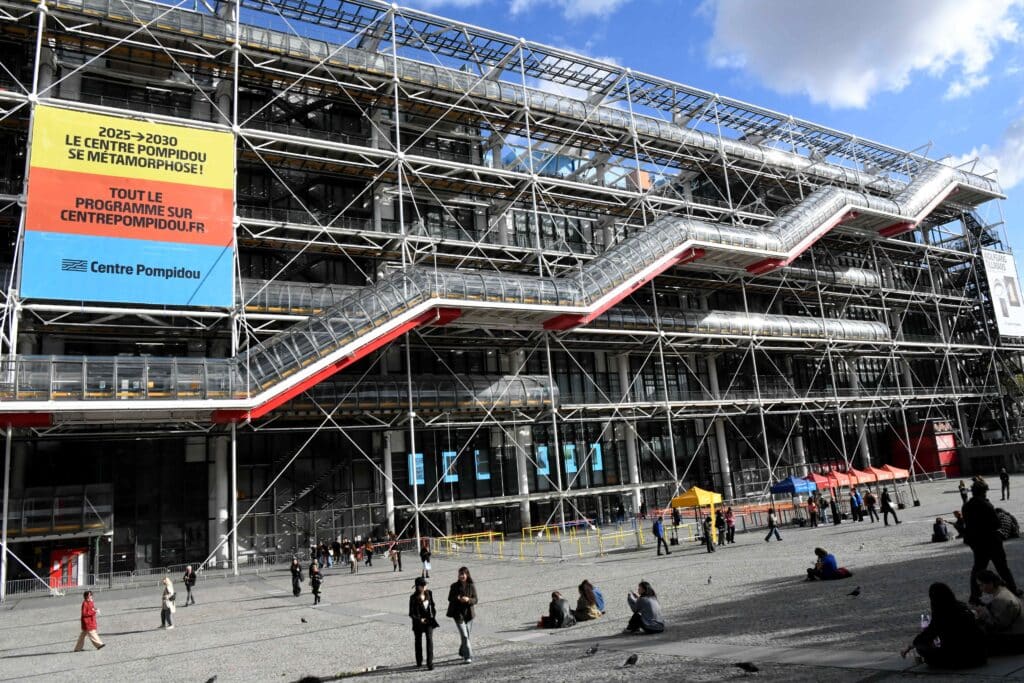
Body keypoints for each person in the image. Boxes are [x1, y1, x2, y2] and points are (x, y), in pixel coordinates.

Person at [901, 582, 985, 669]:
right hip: (978, 655)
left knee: (922, 648)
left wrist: (911, 645)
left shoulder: (941, 614)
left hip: (959, 658)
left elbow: (929, 634)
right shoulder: (962, 607)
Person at [963, 478, 1020, 604]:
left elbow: (967, 524)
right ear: (984, 492)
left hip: (977, 543)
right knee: (1002, 568)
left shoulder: (966, 506)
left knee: (977, 569)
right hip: (991, 541)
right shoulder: (986, 505)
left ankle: (974, 596)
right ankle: (1013, 589)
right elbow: (996, 524)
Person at [971, 570, 1024, 655]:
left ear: (990, 583)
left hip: (1016, 640)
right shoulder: (1003, 591)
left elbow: (997, 626)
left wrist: (983, 615)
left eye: (981, 585)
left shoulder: (1001, 598)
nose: (980, 588)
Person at [447, 566, 478, 664]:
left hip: (469, 615)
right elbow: (450, 598)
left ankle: (462, 651)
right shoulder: (454, 586)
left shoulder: (471, 586)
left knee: (466, 636)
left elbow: (476, 599)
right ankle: (468, 656)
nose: (462, 576)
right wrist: (458, 598)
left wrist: (468, 600)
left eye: (463, 574)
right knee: (464, 636)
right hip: (458, 614)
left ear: (467, 575)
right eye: (460, 574)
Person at [410, 577, 437, 669]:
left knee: (429, 640)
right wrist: (419, 620)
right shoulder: (413, 598)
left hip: (429, 621)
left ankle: (430, 663)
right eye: (424, 585)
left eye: (425, 584)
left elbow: (432, 605)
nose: (426, 586)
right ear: (418, 587)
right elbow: (411, 613)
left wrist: (433, 615)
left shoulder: (429, 593)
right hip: (418, 623)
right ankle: (419, 661)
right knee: (418, 641)